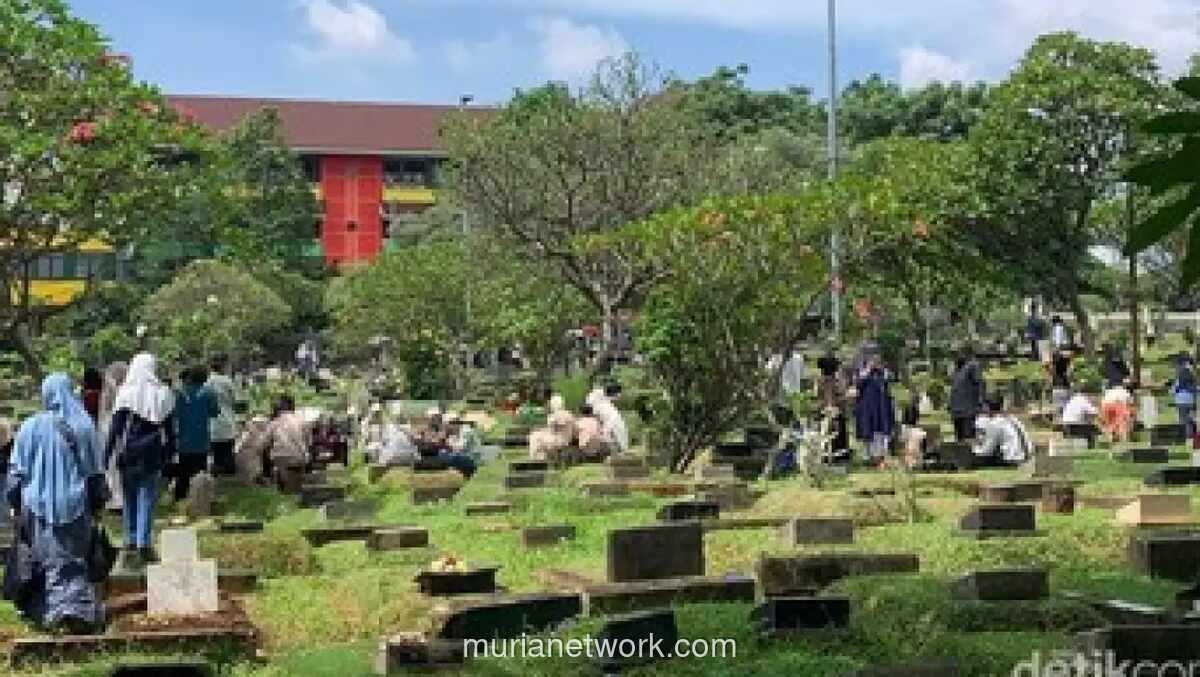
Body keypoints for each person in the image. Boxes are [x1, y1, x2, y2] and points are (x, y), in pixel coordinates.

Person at [6, 373, 106, 631]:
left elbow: (16, 473)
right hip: (75, 504)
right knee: (73, 559)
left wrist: (14, 503)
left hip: (36, 505)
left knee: (48, 561)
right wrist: (98, 505)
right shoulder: (84, 425)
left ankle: (54, 613)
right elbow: (95, 472)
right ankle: (78, 613)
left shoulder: (29, 427)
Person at [106, 353, 176, 565]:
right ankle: (143, 541)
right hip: (152, 451)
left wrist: (106, 455)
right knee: (146, 495)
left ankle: (130, 539)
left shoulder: (125, 393)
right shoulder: (162, 394)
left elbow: (116, 429)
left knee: (129, 496)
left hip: (129, 452)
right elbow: (170, 430)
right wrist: (170, 454)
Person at [172, 365, 218, 502]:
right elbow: (215, 412)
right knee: (200, 472)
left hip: (184, 438)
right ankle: (200, 499)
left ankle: (180, 498)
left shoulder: (180, 392)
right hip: (201, 438)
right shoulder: (209, 392)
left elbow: (175, 413)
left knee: (183, 471)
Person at [853, 354, 895, 465]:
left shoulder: (883, 373)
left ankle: (880, 456)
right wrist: (868, 370)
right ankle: (868, 456)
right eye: (873, 360)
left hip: (881, 406)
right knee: (867, 431)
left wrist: (882, 371)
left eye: (877, 360)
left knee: (880, 431)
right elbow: (858, 384)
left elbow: (890, 379)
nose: (875, 362)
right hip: (867, 407)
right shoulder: (863, 372)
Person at [98, 362, 128, 511]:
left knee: (112, 465)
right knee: (115, 465)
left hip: (108, 427)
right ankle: (117, 498)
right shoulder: (126, 391)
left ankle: (115, 499)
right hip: (116, 428)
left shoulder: (112, 391)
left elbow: (103, 412)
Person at [412, 409, 476, 478]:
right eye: (433, 418)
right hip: (451, 456)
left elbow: (460, 447)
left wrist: (444, 442)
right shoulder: (430, 432)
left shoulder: (466, 432)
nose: (446, 426)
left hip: (467, 458)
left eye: (437, 417)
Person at [972, 397, 1031, 466]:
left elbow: (987, 449)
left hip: (1012, 459)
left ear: (988, 408)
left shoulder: (995, 423)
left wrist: (974, 450)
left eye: (983, 407)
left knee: (975, 458)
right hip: (1024, 456)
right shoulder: (1012, 418)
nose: (982, 410)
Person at [206, 354, 238, 477]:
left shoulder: (207, 382)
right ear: (223, 367)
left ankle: (217, 470)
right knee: (228, 451)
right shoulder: (227, 381)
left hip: (213, 423)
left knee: (216, 452)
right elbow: (235, 400)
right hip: (227, 421)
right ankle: (228, 472)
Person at [948, 350, 984, 441]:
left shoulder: (959, 373)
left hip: (958, 411)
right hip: (966, 411)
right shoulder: (970, 367)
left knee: (961, 440)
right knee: (968, 440)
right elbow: (979, 383)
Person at [1173, 356, 1198, 440]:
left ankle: (1187, 436)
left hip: (1181, 400)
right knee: (1188, 417)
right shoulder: (1191, 375)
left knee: (1183, 418)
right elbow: (1195, 388)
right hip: (1190, 399)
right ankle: (1191, 432)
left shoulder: (1179, 375)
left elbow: (1175, 389)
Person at [1050, 350, 1073, 416]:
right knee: (1066, 410)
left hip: (1056, 388)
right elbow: (1069, 375)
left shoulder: (1054, 366)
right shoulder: (1066, 365)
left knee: (1058, 411)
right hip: (1064, 388)